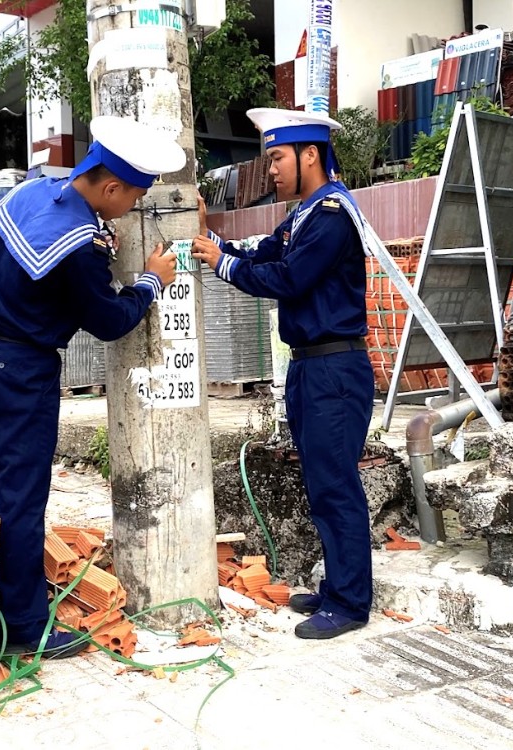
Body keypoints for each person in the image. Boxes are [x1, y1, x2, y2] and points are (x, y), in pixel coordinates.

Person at [0, 116, 184, 658]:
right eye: (133, 195)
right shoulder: (80, 246)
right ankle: (26, 631)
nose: (133, 206)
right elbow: (108, 320)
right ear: (111, 188)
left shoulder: (36, 192)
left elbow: (29, 254)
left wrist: (100, 240)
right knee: (21, 499)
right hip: (21, 368)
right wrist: (151, 280)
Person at [192, 108, 376, 640]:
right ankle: (337, 586)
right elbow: (263, 253)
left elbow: (289, 278)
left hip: (333, 369)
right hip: (310, 368)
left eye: (276, 158)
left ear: (309, 155)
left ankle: (349, 603)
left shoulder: (333, 217)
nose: (270, 170)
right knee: (321, 484)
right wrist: (214, 243)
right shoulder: (303, 215)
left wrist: (222, 264)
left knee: (336, 485)